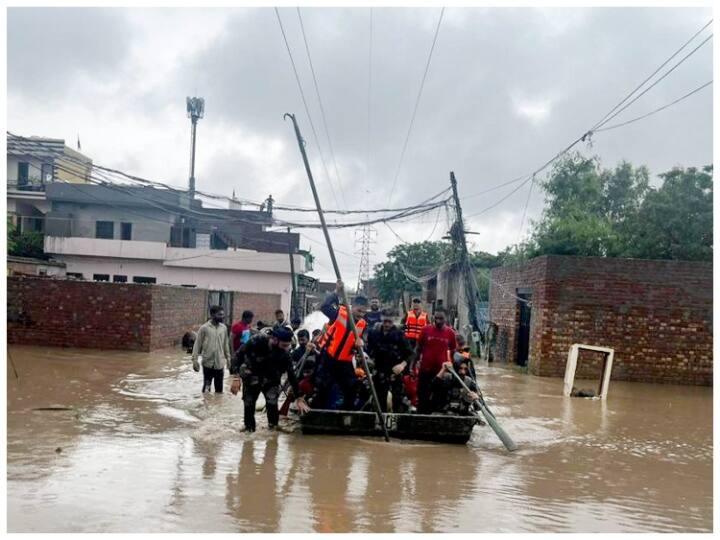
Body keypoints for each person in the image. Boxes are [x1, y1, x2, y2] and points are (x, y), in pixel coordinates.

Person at [230, 327, 310, 431]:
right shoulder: (257, 340)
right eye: (284, 345)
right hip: (252, 375)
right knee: (249, 403)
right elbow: (238, 356)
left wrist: (299, 397)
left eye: (288, 345)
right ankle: (249, 428)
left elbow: (291, 375)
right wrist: (236, 378)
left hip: (271, 378)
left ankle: (273, 428)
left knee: (272, 403)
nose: (286, 348)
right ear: (275, 340)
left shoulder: (285, 354)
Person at [318, 279, 368, 410]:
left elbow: (362, 344)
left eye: (363, 312)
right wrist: (336, 291)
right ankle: (319, 412)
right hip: (329, 357)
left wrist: (360, 344)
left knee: (351, 388)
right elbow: (324, 307)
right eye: (358, 311)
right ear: (353, 306)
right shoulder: (340, 313)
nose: (360, 314)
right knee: (324, 386)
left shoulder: (363, 323)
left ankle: (347, 414)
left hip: (345, 362)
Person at [366, 309, 412, 412]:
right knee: (379, 401)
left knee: (398, 401)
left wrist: (402, 365)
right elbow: (368, 351)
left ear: (394, 320)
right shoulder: (373, 334)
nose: (386, 324)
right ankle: (379, 422)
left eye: (389, 322)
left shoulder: (399, 335)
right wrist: (369, 359)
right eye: (384, 321)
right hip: (379, 371)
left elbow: (410, 354)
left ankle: (397, 423)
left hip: (395, 372)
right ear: (381, 319)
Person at [415, 308, 457, 414]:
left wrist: (449, 364)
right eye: (436, 318)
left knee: (438, 397)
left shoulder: (450, 333)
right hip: (425, 369)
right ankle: (421, 418)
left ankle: (434, 419)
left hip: (440, 372)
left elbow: (452, 350)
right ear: (433, 317)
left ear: (446, 319)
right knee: (422, 396)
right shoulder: (425, 330)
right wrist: (413, 364)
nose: (438, 321)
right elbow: (418, 348)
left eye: (441, 318)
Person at [191, 305, 232, 393]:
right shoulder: (204, 328)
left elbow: (225, 344)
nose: (222, 317)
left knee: (219, 390)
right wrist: (195, 360)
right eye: (220, 315)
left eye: (223, 315)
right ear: (212, 315)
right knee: (206, 389)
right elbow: (197, 344)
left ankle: (217, 406)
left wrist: (228, 358)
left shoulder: (224, 328)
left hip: (220, 364)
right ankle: (206, 405)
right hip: (207, 363)